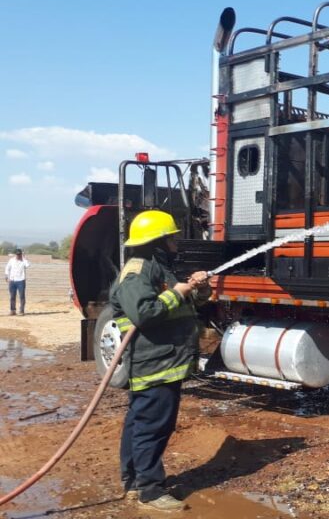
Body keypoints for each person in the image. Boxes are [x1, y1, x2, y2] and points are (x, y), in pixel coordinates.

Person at [110, 210, 209, 511]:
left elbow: (177, 306)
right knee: (152, 427)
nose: (176, 241)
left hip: (162, 362)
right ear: (158, 241)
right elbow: (145, 312)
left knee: (139, 423)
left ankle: (134, 482)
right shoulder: (138, 271)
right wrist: (177, 293)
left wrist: (196, 289)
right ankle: (151, 492)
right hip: (156, 365)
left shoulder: (155, 269)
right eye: (172, 237)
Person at [5, 248, 30, 315]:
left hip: (21, 281)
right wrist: (7, 275)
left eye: (19, 254)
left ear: (21, 254)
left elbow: (28, 265)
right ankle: (13, 310)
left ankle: (21, 310)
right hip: (12, 280)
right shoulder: (11, 260)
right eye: (17, 254)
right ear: (15, 254)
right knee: (12, 296)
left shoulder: (23, 261)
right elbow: (7, 268)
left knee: (22, 296)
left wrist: (24, 258)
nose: (18, 256)